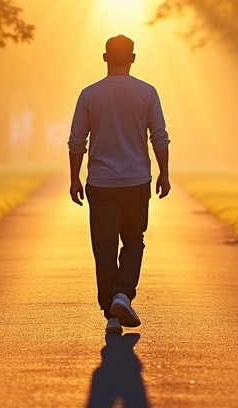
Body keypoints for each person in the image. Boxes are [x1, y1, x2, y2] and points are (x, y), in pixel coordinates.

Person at [68, 34, 171, 335]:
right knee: (133, 240)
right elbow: (159, 136)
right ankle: (122, 293)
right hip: (136, 180)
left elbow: (77, 141)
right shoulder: (147, 93)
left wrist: (75, 177)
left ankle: (110, 313)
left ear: (104, 57)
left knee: (104, 246)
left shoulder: (89, 95)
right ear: (133, 58)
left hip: (100, 183)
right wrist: (164, 172)